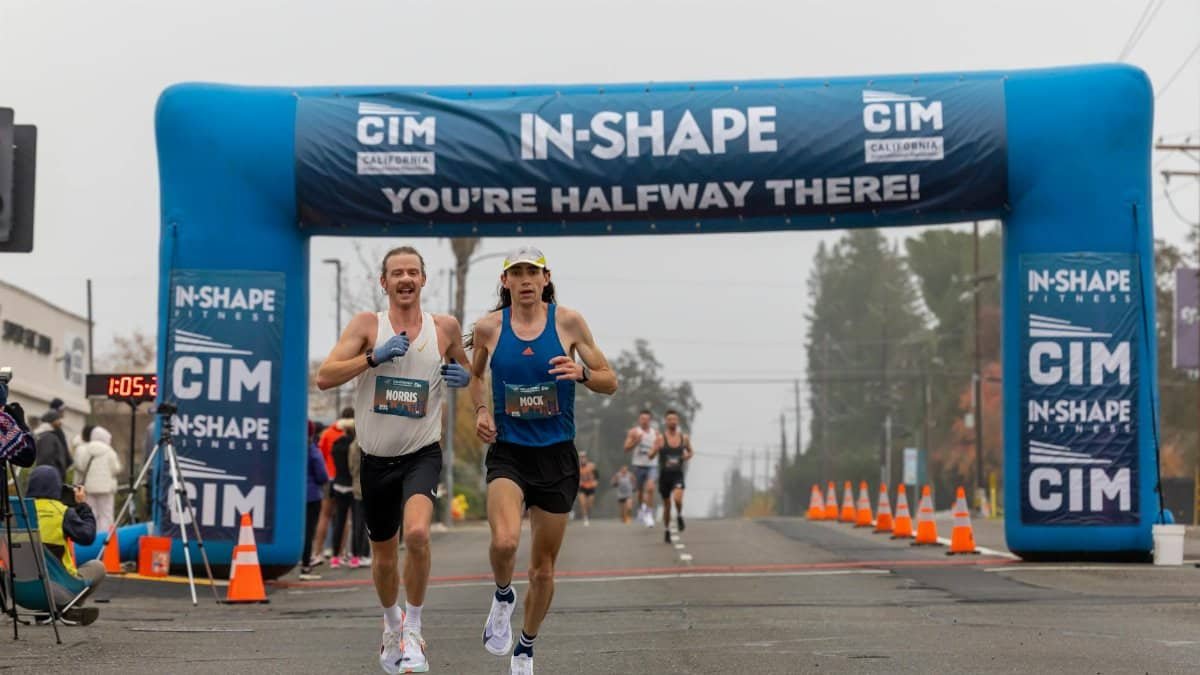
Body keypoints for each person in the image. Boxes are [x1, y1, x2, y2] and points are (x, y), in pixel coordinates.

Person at [317, 245, 471, 674]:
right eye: (397, 273)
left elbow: (473, 369)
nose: (405, 279)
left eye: (413, 272)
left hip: (422, 452)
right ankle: (391, 625)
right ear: (383, 283)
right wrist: (373, 356)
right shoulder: (369, 325)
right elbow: (325, 377)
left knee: (418, 534)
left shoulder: (445, 328)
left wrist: (468, 376)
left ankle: (414, 631)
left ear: (423, 280)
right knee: (383, 555)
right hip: (375, 459)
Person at [469, 245, 618, 675]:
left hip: (556, 456)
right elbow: (476, 377)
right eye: (517, 272)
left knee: (542, 569)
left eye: (532, 272)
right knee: (504, 542)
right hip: (509, 451)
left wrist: (583, 374)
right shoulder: (488, 328)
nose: (526, 280)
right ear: (506, 282)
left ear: (546, 278)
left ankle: (525, 647)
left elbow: (610, 381)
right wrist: (481, 411)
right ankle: (501, 595)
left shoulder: (568, 322)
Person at [25, 465, 105, 625]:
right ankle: (67, 607)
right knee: (98, 566)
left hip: (22, 592)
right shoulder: (62, 512)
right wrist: (82, 505)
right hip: (57, 590)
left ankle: (47, 610)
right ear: (57, 488)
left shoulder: (18, 511)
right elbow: (88, 537)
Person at [329, 408, 368, 568]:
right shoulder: (356, 446)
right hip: (354, 486)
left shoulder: (336, 444)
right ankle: (355, 556)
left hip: (338, 484)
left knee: (339, 521)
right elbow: (354, 467)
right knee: (357, 521)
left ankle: (335, 557)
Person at [649, 410, 694, 543]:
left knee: (678, 499)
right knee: (667, 505)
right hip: (664, 476)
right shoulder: (660, 438)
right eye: (669, 419)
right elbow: (650, 456)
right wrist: (656, 449)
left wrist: (687, 456)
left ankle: (679, 515)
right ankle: (667, 529)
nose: (672, 422)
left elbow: (691, 452)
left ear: (677, 421)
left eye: (674, 419)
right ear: (666, 422)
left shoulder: (683, 438)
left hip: (677, 474)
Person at [73, 426, 122, 533]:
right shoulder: (109, 451)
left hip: (89, 488)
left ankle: (92, 538)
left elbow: (81, 466)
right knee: (106, 515)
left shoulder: (86, 449)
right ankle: (104, 539)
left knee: (92, 513)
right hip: (106, 488)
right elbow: (116, 469)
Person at [302, 420, 330, 580]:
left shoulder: (293, 447)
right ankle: (306, 565)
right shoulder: (312, 449)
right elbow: (322, 475)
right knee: (308, 530)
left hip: (294, 495)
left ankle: (299, 559)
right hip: (311, 495)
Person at [623, 411, 659, 528]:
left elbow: (658, 447)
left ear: (650, 420)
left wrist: (654, 452)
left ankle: (648, 513)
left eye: (647, 419)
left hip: (652, 465)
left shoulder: (655, 433)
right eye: (642, 419)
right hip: (638, 465)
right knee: (639, 492)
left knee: (650, 488)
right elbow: (626, 448)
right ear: (639, 420)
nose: (644, 421)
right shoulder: (634, 432)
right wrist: (636, 441)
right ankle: (641, 508)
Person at [34, 409, 72, 482]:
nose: (60, 422)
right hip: (51, 478)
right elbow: (46, 458)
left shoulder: (50, 434)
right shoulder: (48, 436)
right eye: (58, 419)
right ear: (52, 421)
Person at [576, 451, 597, 526]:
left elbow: (597, 475)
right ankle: (585, 517)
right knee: (583, 503)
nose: (582, 458)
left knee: (589, 504)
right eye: (581, 457)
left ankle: (587, 514)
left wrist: (595, 481)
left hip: (591, 487)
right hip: (582, 487)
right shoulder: (577, 466)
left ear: (586, 458)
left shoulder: (591, 465)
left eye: (583, 457)